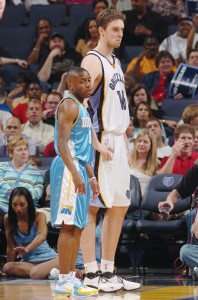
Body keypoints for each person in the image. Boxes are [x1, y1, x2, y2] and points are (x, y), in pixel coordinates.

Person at [80, 8, 140, 292]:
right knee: (93, 207)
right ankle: (91, 273)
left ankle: (108, 270)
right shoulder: (92, 61)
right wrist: (94, 142)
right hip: (100, 139)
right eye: (115, 29)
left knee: (118, 206)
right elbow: (78, 103)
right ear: (100, 30)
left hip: (117, 140)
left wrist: (125, 140)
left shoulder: (115, 61)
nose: (120, 34)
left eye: (122, 30)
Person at [50, 67, 100, 297]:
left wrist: (90, 176)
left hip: (78, 166)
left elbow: (83, 149)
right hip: (68, 168)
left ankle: (71, 277)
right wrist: (75, 173)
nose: (88, 84)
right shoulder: (69, 105)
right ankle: (62, 279)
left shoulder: (82, 107)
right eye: (82, 81)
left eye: (89, 80)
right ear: (70, 85)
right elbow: (62, 144)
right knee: (68, 226)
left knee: (78, 226)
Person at [3, 187, 59, 279]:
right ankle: (49, 273)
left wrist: (27, 249)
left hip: (49, 259)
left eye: (22, 205)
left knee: (35, 273)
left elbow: (42, 236)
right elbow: (10, 246)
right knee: (7, 267)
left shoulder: (39, 216)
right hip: (28, 263)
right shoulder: (8, 218)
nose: (18, 208)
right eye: (14, 205)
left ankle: (44, 271)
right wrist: (9, 269)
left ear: (29, 203)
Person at [158, 164, 198, 280]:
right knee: (185, 251)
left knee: (192, 214)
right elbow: (176, 193)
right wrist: (169, 202)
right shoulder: (196, 170)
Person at [0, 136, 44, 214]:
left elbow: (38, 191)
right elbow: (1, 183)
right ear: (11, 153)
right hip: (2, 207)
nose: (24, 152)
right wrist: (14, 194)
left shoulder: (36, 172)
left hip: (26, 210)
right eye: (19, 150)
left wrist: (22, 197)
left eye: (25, 149)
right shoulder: (2, 166)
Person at [130, 128, 158, 196]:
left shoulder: (156, 164)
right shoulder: (128, 158)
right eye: (139, 141)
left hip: (144, 202)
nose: (141, 144)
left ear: (151, 145)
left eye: (145, 142)